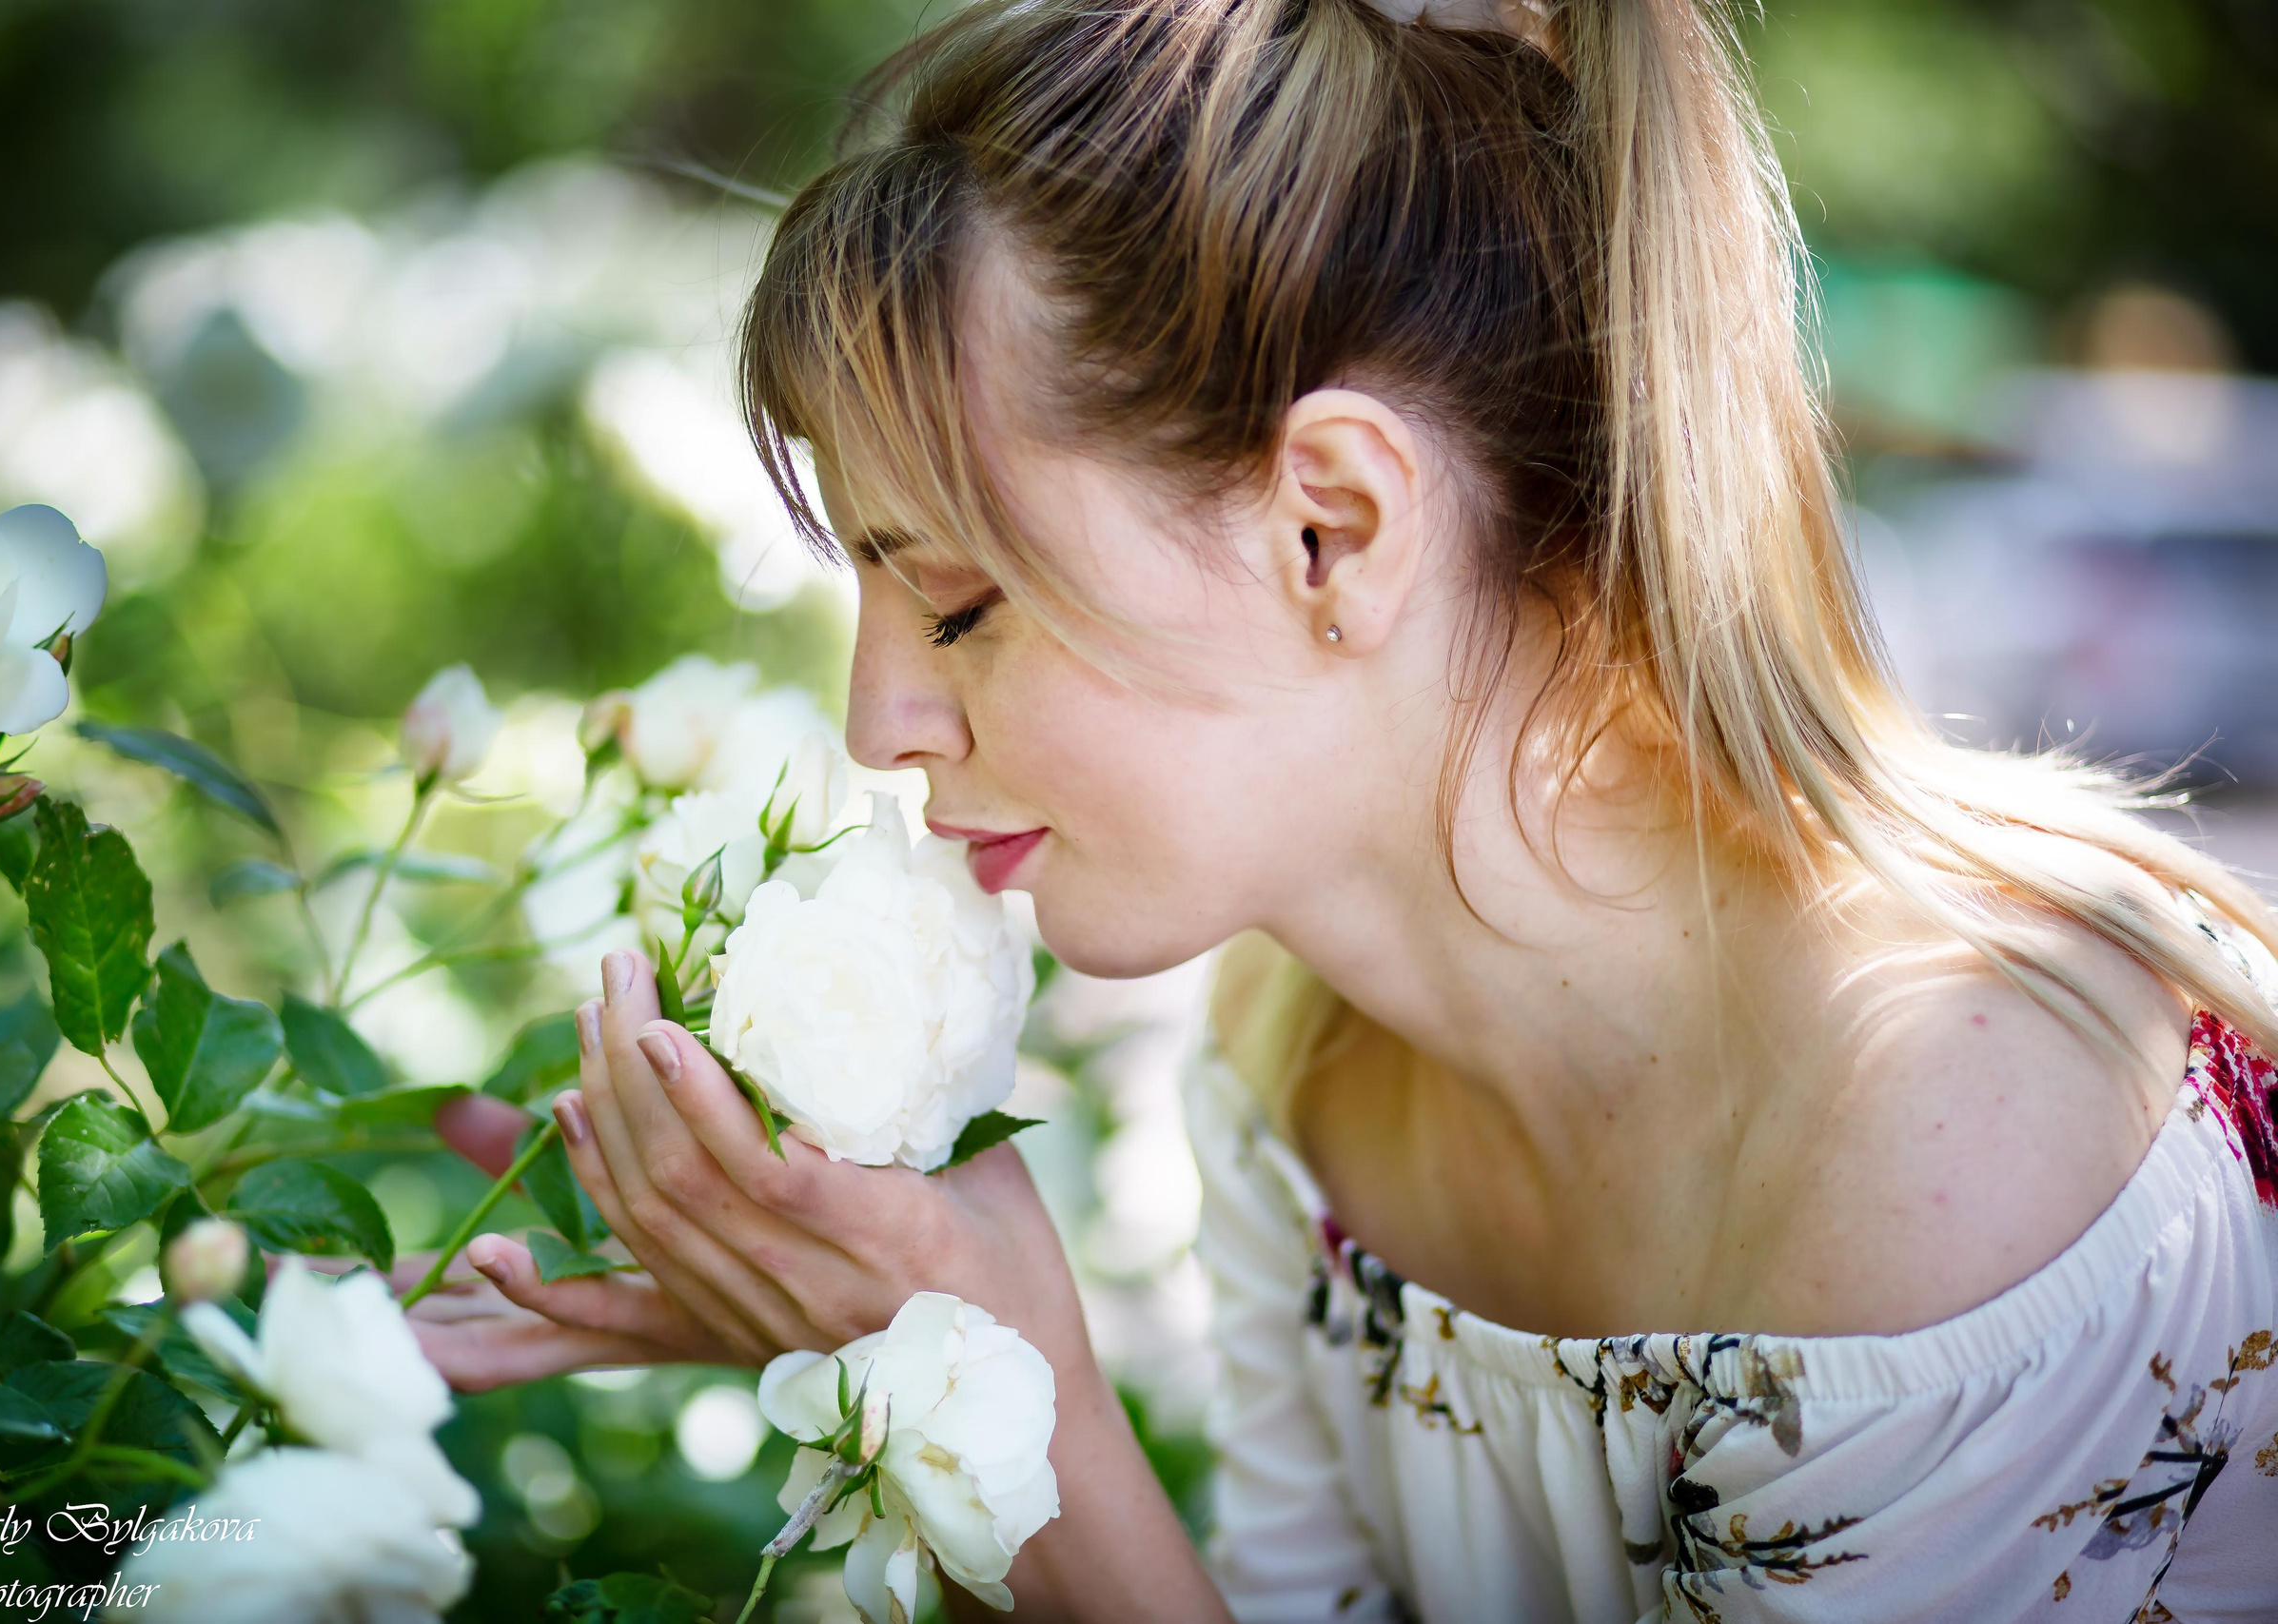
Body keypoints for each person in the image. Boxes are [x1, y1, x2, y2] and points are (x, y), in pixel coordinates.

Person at [408, 0, 2278, 1617]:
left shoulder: (1952, 1154)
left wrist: (1011, 1399)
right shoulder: (1298, 1060)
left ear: (1335, 528)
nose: (877, 723)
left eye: (960, 604)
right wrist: (900, 1340)